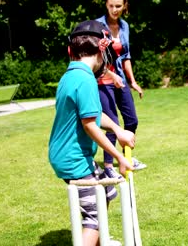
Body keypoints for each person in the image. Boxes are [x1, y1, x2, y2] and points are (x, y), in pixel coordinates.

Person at [48, 20, 135, 246]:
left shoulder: (71, 75)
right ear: (102, 51)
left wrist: (118, 130)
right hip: (73, 159)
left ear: (71, 51)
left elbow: (94, 115)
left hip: (69, 155)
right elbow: (90, 126)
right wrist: (118, 157)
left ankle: (99, 241)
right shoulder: (85, 80)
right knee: (94, 217)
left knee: (106, 191)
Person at [95, 0, 147, 178]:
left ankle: (127, 157)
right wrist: (111, 74)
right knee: (112, 123)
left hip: (120, 80)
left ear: (124, 6)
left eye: (118, 6)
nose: (114, 9)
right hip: (102, 80)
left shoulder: (124, 26)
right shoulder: (98, 26)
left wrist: (132, 81)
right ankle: (109, 166)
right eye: (111, 6)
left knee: (131, 120)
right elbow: (96, 58)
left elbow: (126, 57)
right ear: (106, 6)